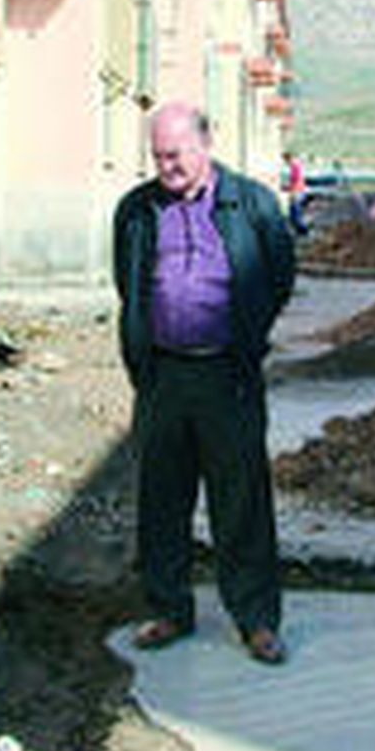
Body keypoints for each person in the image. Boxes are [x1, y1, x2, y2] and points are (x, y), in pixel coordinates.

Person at [113, 102, 296, 665]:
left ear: (206, 144)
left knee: (240, 498)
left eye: (176, 155)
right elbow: (129, 283)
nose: (166, 166)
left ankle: (257, 619)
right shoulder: (137, 211)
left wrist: (247, 336)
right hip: (164, 375)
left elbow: (280, 276)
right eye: (158, 156)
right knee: (162, 498)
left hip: (228, 375)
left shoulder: (254, 204)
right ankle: (169, 608)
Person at [280, 149, 308, 237]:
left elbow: (297, 182)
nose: (286, 163)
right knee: (294, 213)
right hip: (298, 191)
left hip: (297, 192)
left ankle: (303, 232)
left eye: (286, 160)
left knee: (296, 213)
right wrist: (287, 188)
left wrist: (291, 191)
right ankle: (300, 232)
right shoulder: (296, 166)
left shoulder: (295, 167)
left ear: (289, 158)